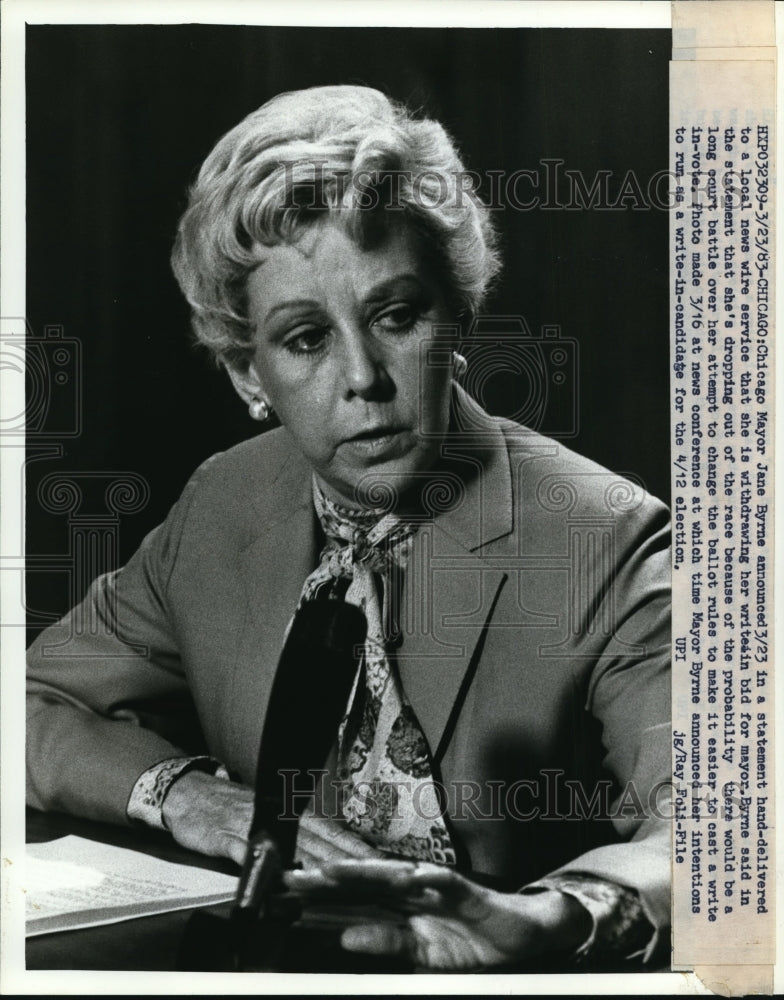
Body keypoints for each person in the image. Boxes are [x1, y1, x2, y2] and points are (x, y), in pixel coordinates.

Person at [26, 85, 671, 971]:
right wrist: (182, 796)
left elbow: (725, 834)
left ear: (460, 317)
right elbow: (33, 701)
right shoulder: (225, 501)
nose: (363, 377)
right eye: (304, 339)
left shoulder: (610, 538)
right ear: (247, 376)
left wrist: (557, 917)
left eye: (396, 316)